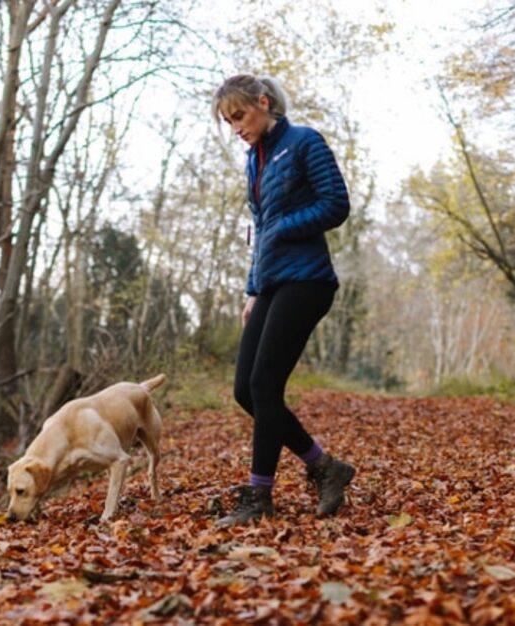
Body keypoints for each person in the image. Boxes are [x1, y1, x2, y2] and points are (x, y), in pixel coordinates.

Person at [212, 74, 356, 525]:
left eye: (239, 115)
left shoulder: (304, 142)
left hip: (308, 281)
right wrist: (253, 289)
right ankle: (324, 467)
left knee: (264, 387)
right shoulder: (253, 160)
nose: (236, 126)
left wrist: (285, 227)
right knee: (245, 391)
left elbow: (336, 203)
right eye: (228, 121)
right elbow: (259, 226)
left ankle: (259, 496)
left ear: (263, 101)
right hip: (272, 283)